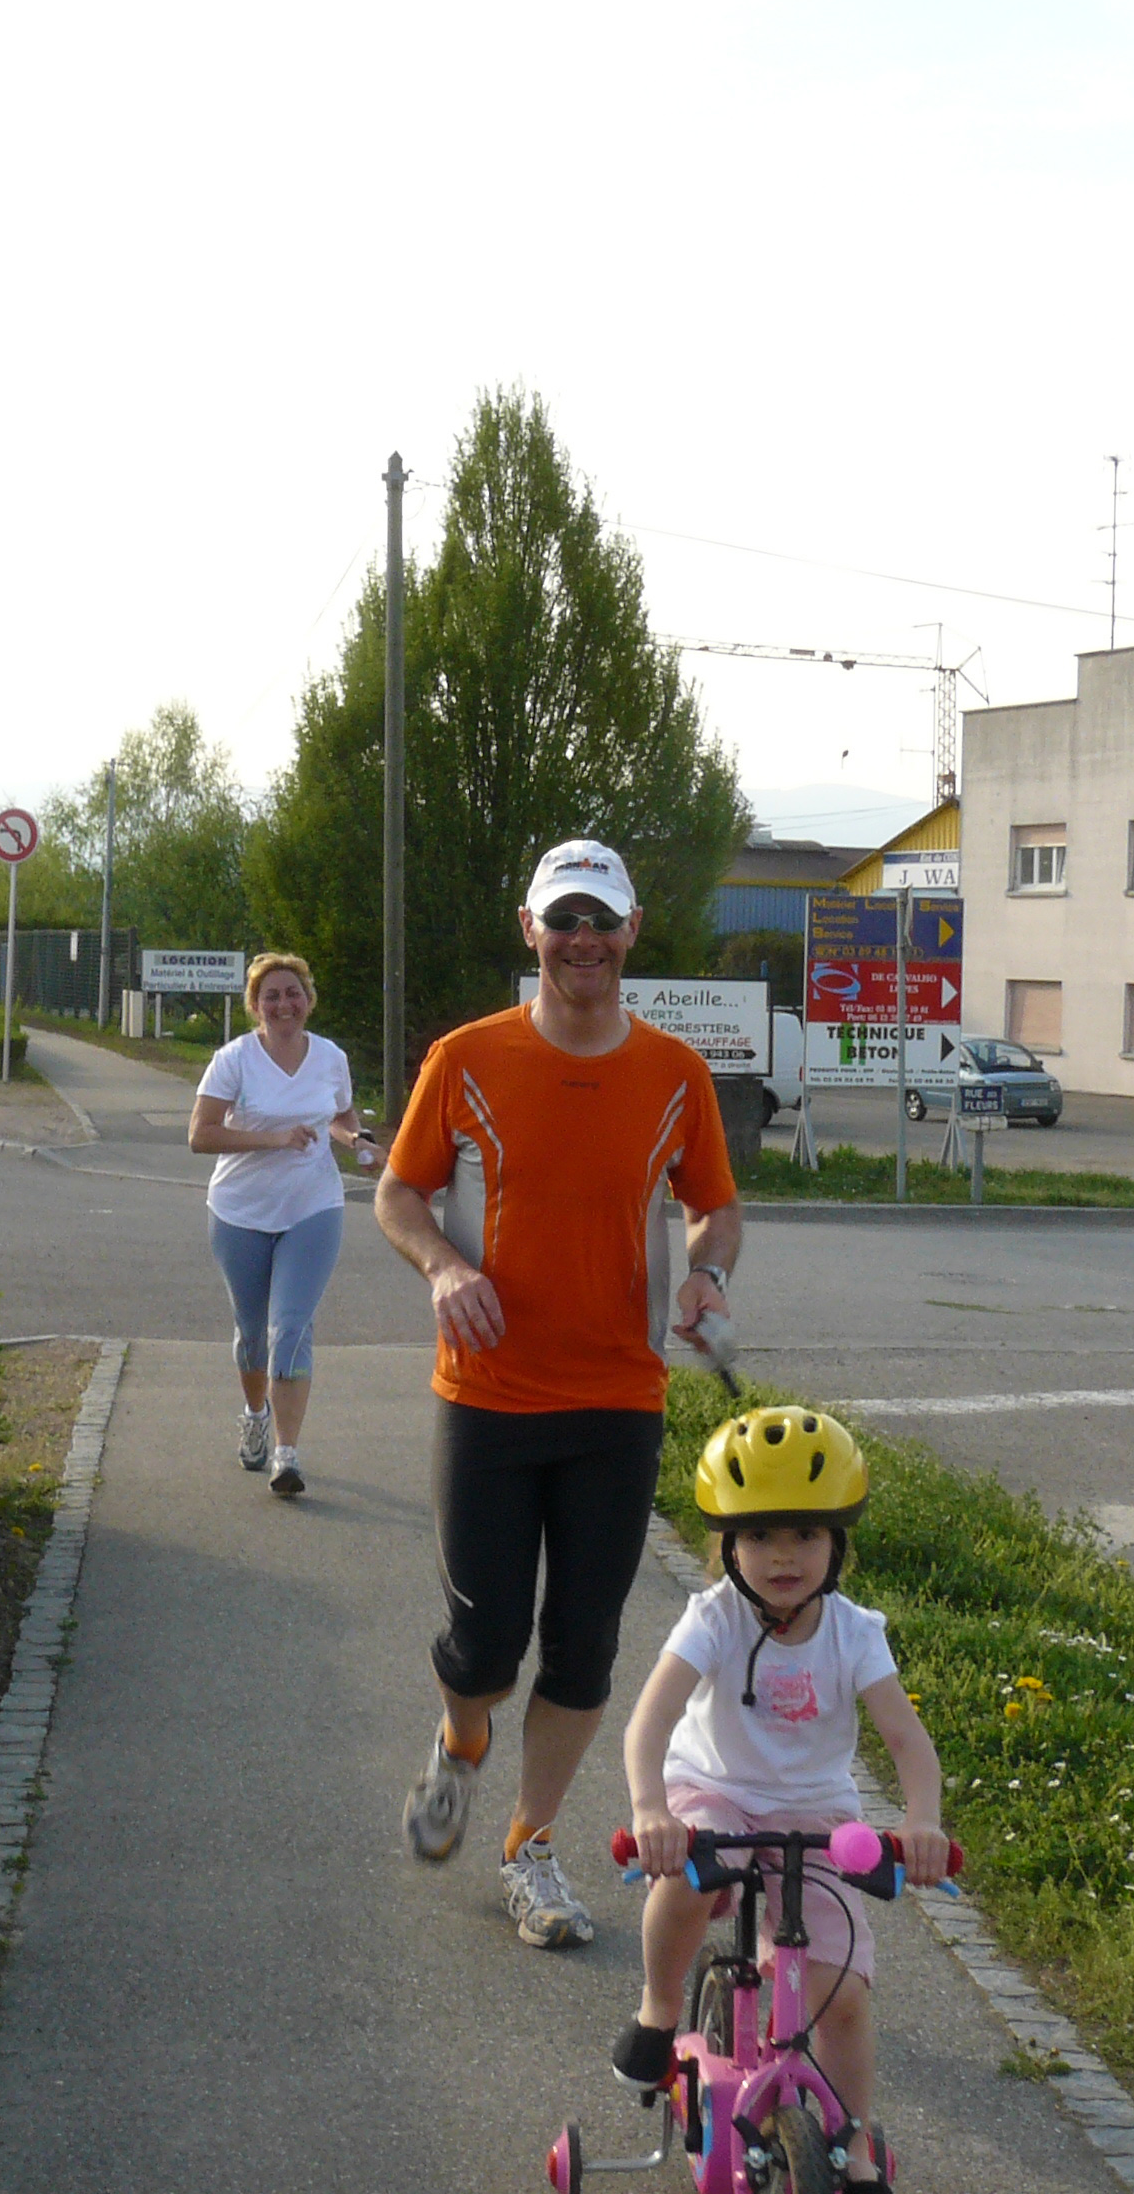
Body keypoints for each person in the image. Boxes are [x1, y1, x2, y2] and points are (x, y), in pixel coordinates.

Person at [374, 838, 742, 1948]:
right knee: (484, 1647)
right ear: (531, 931)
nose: (585, 940)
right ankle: (463, 1740)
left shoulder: (675, 1072)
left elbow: (714, 1205)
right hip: (486, 1394)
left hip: (617, 1400)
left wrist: (709, 1275)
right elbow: (399, 1193)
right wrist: (445, 1267)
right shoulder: (467, 1057)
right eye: (564, 919)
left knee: (583, 1647)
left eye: (603, 920)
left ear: (632, 933)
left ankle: (528, 1846)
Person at [613, 1408, 948, 2187]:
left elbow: (907, 1741)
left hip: (815, 1814)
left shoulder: (855, 1632)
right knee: (691, 1875)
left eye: (805, 1534)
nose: (784, 1555)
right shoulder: (715, 1619)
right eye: (760, 1535)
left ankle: (852, 2147)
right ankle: (659, 2008)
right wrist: (651, 1810)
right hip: (715, 1789)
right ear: (728, 1547)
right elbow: (649, 1723)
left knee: (844, 1991)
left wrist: (923, 1823)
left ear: (838, 1544)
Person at [188, 951, 374, 1497]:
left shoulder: (330, 1057)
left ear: (308, 1000)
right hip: (240, 1211)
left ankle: (286, 1454)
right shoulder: (234, 1060)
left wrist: (357, 1141)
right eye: (271, 995)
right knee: (253, 1336)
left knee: (290, 1329)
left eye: (293, 993)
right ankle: (255, 1414)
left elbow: (340, 1115)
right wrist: (273, 1138)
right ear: (256, 1006)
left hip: (313, 1206)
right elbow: (200, 1134)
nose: (283, 1004)